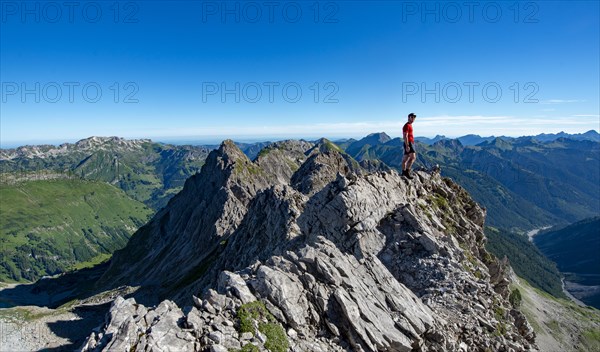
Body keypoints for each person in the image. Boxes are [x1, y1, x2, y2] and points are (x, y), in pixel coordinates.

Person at [401, 113, 417, 179]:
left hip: (409, 143)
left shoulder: (409, 125)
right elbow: (405, 136)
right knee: (413, 157)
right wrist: (407, 145)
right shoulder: (407, 125)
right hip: (409, 143)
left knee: (405, 159)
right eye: (412, 117)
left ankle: (403, 172)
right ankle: (407, 172)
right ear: (409, 117)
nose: (413, 118)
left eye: (414, 117)